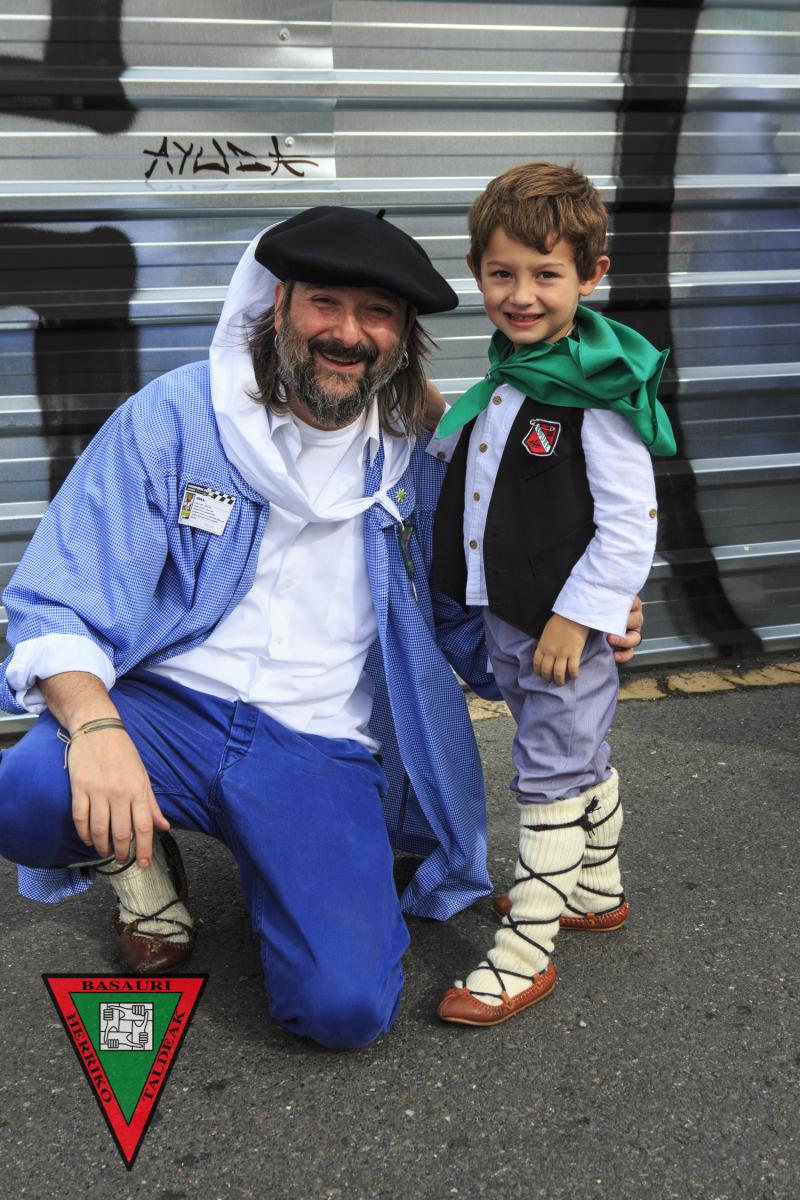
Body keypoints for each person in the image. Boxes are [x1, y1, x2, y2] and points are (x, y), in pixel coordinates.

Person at [0, 205, 643, 1051]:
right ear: (278, 304)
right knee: (30, 793)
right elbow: (61, 595)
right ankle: (139, 870)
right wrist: (96, 727)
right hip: (166, 713)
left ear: (402, 335)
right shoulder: (180, 416)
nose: (347, 333)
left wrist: (581, 615)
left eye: (376, 313)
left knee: (342, 1010)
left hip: (315, 744)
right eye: (325, 304)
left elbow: (468, 612)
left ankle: (280, 862)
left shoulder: (425, 455)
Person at [431, 162, 674, 1027]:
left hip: (558, 629)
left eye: (546, 274)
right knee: (575, 753)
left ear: (590, 276)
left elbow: (631, 525)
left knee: (550, 773)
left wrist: (578, 616)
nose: (522, 295)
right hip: (510, 618)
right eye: (502, 273)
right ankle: (596, 888)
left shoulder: (596, 394)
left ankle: (525, 949)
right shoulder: (513, 372)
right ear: (476, 270)